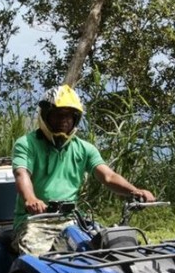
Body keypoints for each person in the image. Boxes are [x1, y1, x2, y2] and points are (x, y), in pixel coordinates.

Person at [12, 84, 155, 255]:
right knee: (39, 259)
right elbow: (22, 173)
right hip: (34, 221)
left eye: (69, 116)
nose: (64, 120)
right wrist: (31, 199)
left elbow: (108, 176)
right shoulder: (27, 143)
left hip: (72, 220)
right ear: (45, 115)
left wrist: (135, 191)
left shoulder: (84, 148)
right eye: (58, 114)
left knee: (111, 248)